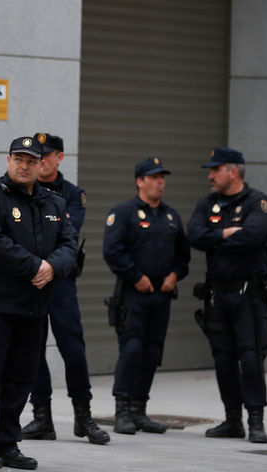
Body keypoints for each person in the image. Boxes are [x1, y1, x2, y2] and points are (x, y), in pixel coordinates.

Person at [0, 135, 77, 470]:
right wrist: (35, 266)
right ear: (8, 160)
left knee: (21, 377)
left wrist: (53, 266)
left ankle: (6, 442)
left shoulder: (54, 204)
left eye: (31, 160)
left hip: (32, 307)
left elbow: (70, 244)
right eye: (19, 159)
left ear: (42, 164)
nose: (24, 166)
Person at [21, 133, 109, 444]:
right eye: (37, 155)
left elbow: (66, 234)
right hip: (29, 279)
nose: (41, 160)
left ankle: (83, 416)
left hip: (60, 281)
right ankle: (41, 417)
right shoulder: (20, 190)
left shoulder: (73, 194)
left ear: (60, 157)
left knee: (73, 348)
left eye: (48, 154)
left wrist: (46, 260)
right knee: (32, 349)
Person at [187, 148, 267, 443]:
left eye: (216, 169)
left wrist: (215, 239)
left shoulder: (257, 202)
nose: (210, 176)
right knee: (223, 358)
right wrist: (225, 234)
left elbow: (253, 237)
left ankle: (256, 420)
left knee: (250, 358)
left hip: (248, 296)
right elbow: (194, 236)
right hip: (217, 296)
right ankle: (233, 420)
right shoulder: (206, 203)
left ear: (233, 171)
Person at [102, 157, 190, 435]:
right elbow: (112, 251)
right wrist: (135, 276)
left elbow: (183, 255)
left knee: (152, 352)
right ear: (140, 181)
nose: (160, 182)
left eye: (162, 177)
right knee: (132, 350)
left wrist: (176, 274)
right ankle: (123, 410)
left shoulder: (171, 216)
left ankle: (139, 410)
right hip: (132, 294)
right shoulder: (124, 213)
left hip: (161, 296)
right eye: (153, 177)